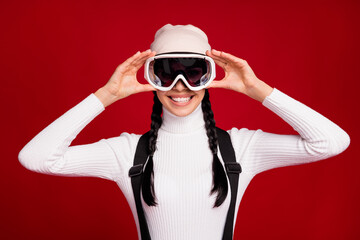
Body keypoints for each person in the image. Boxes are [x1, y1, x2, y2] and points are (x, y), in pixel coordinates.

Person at [18, 24, 350, 240]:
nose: (181, 86)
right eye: (166, 72)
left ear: (208, 77)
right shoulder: (126, 153)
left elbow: (331, 142)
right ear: (150, 78)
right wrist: (106, 96)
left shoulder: (241, 148)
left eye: (194, 72)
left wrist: (257, 89)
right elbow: (36, 158)